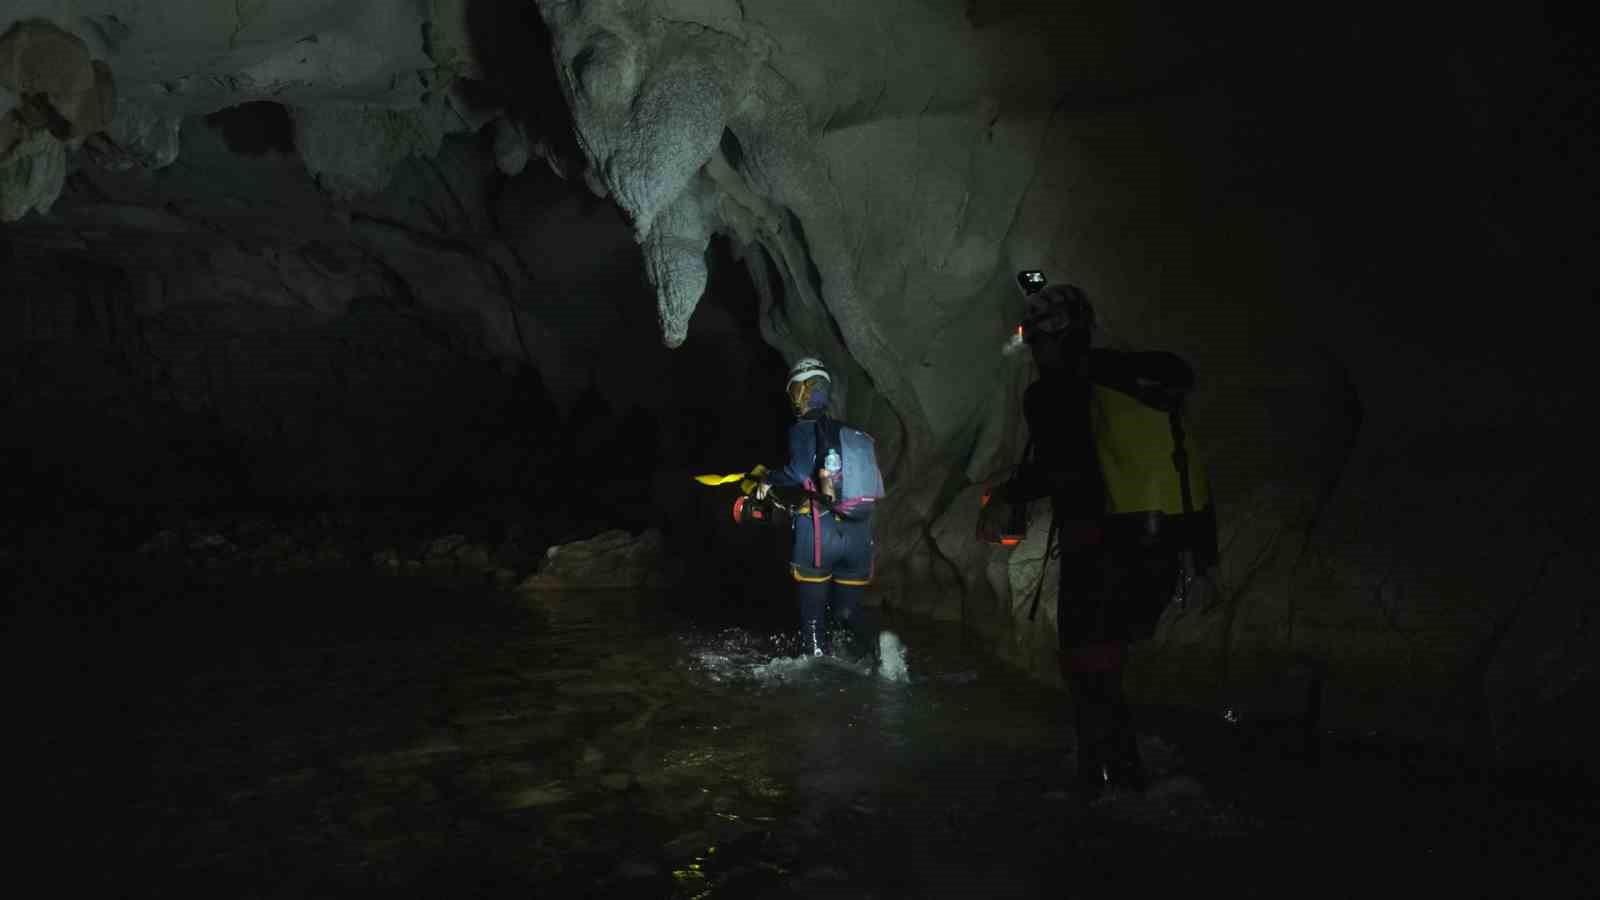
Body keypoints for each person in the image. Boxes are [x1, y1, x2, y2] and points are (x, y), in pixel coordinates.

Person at [991, 282, 1215, 796]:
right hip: (1157, 544)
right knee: (1109, 664)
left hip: (1096, 546)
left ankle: (1099, 784)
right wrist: (1204, 554)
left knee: (1087, 667)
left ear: (1043, 340)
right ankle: (1127, 776)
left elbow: (1060, 470)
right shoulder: (1128, 379)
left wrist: (1007, 493)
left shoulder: (1052, 391)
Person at [755, 358, 886, 663]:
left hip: (819, 534)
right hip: (858, 534)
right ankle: (884, 655)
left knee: (813, 622)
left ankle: (815, 688)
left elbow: (800, 472)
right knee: (847, 613)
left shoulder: (803, 429)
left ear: (799, 392)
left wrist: (767, 479)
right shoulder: (850, 433)